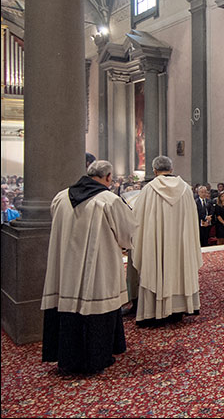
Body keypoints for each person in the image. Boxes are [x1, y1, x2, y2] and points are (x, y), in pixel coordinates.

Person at [41, 160, 137, 374]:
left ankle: (67, 359)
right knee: (97, 307)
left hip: (65, 268)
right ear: (109, 177)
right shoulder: (109, 201)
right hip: (98, 268)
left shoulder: (61, 197)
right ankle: (96, 358)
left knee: (69, 311)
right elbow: (126, 234)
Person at [130, 155, 202, 327]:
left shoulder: (149, 189)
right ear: (172, 169)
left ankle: (154, 311)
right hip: (180, 244)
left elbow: (136, 219)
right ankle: (178, 309)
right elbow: (193, 218)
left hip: (155, 243)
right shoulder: (185, 189)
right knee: (179, 268)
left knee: (155, 267)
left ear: (154, 170)